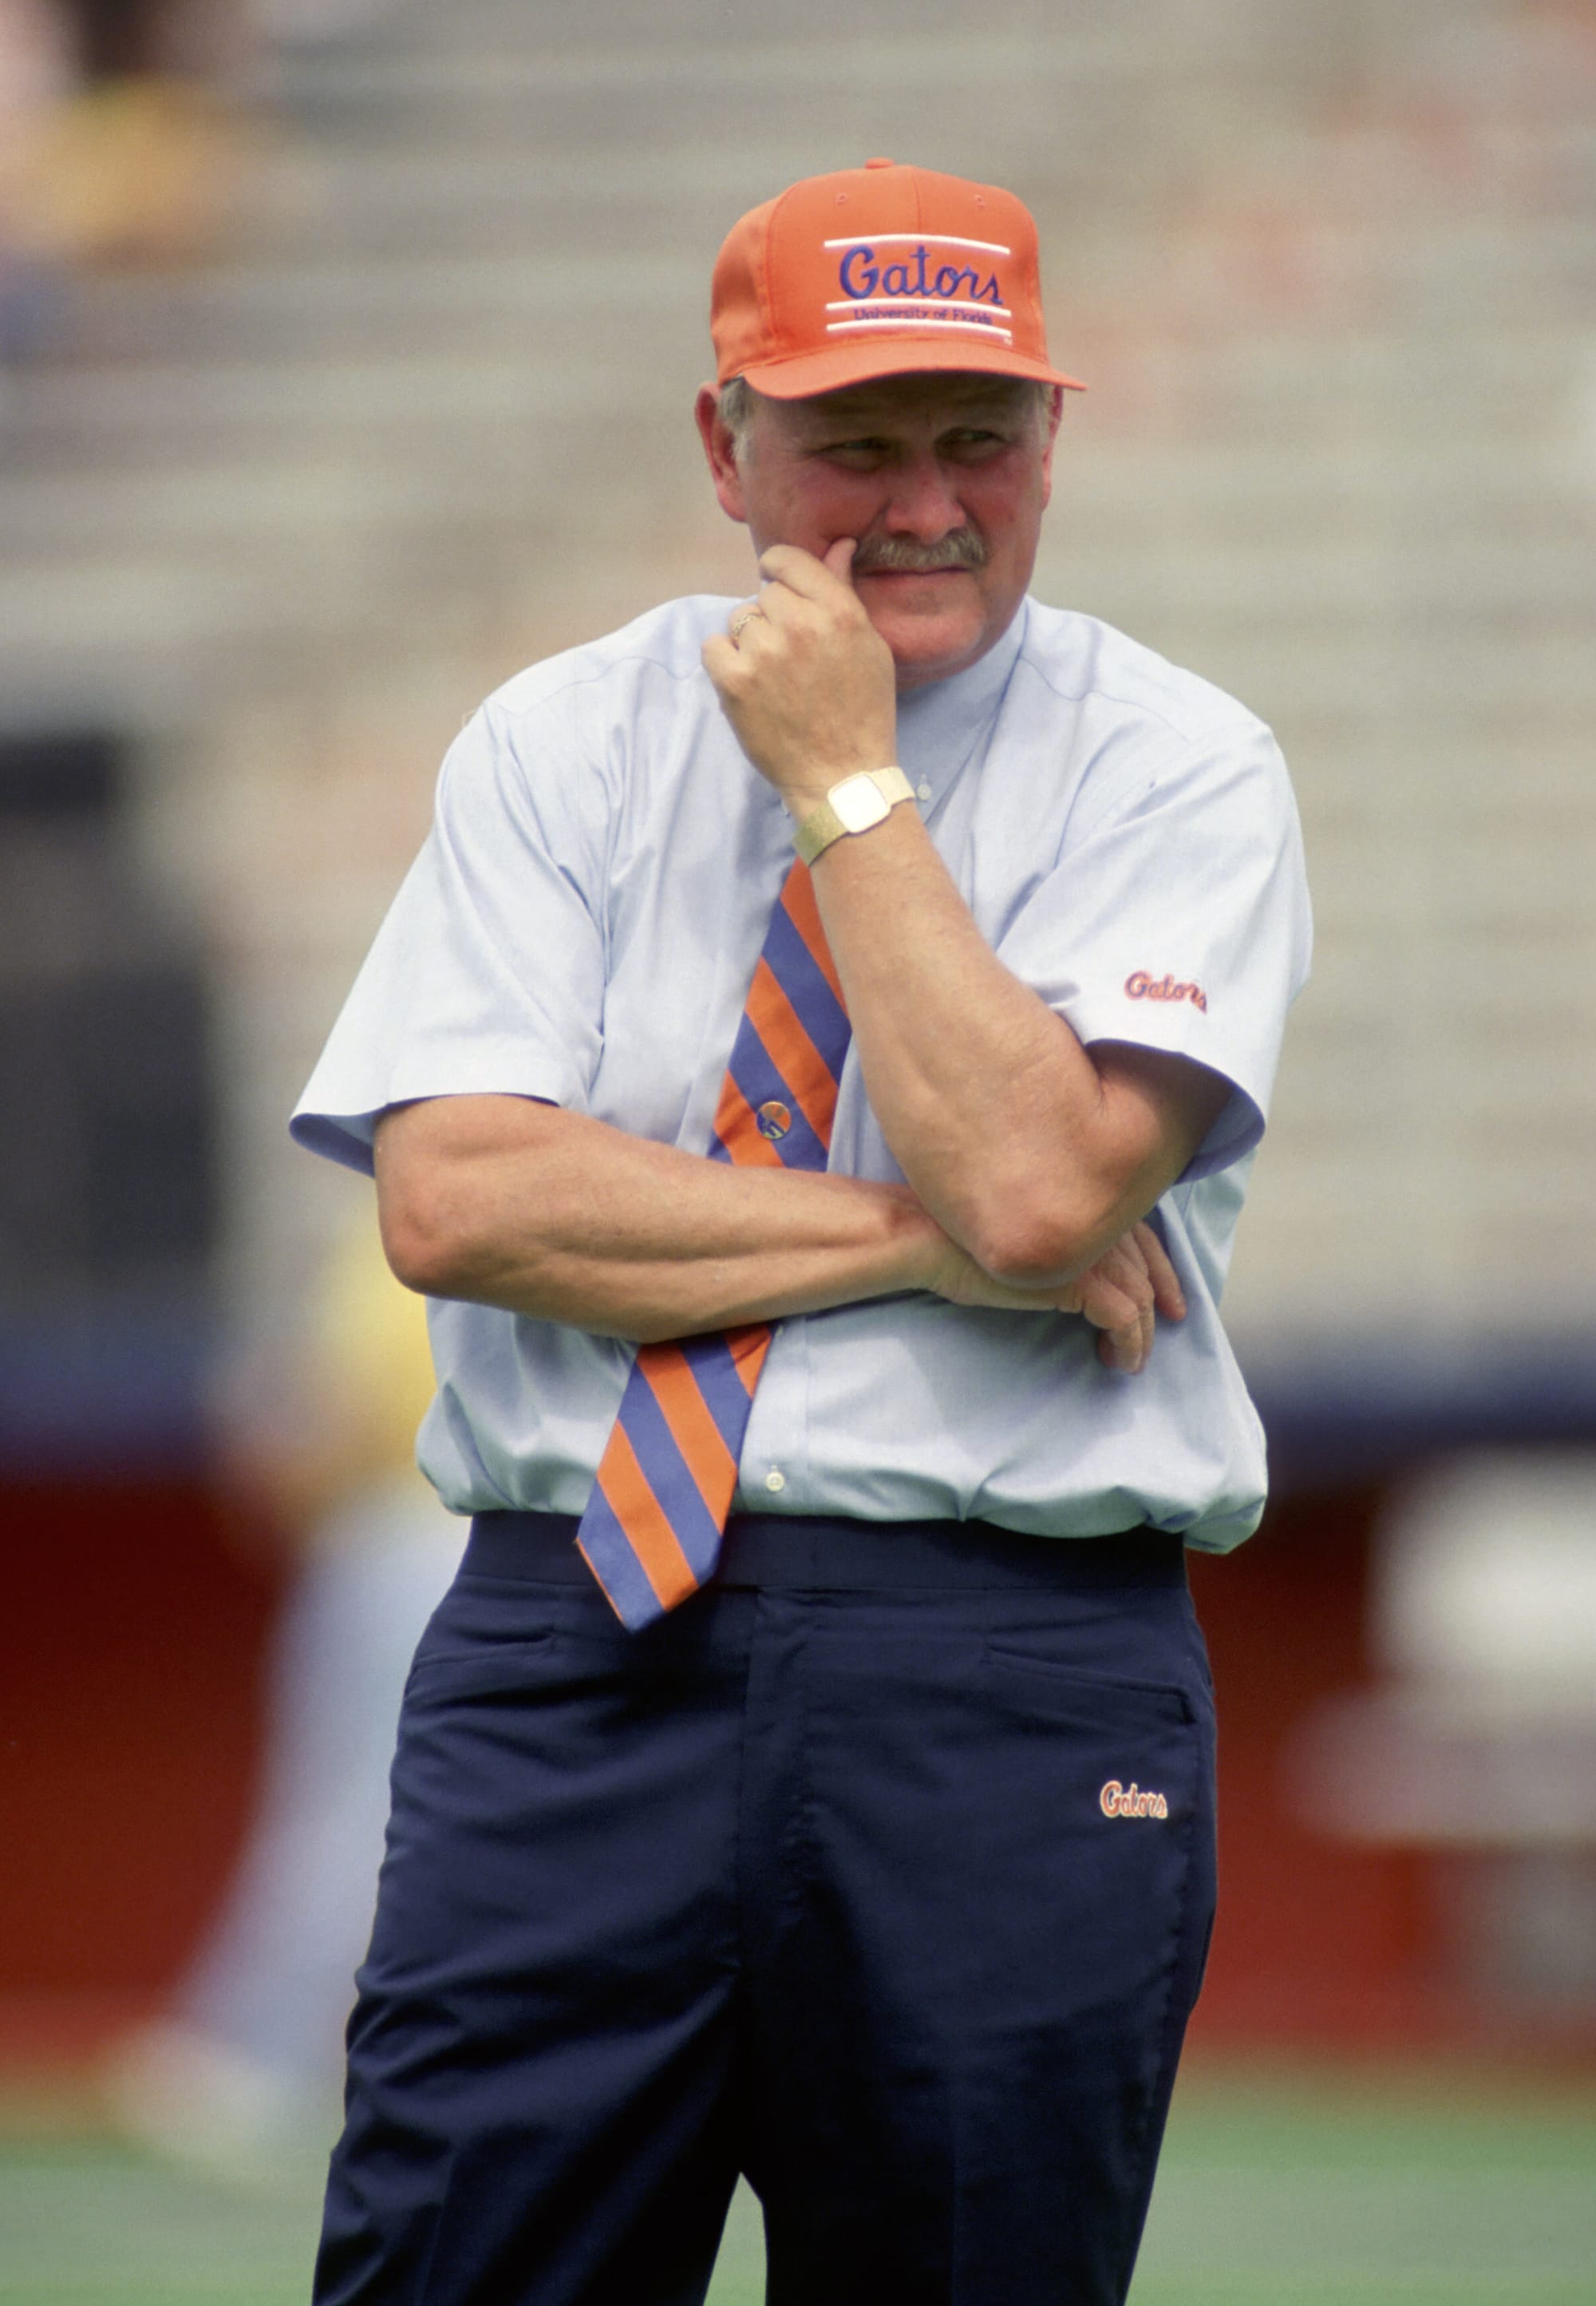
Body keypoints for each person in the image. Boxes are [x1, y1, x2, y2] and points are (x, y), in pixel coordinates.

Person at [291, 158, 1310, 2306]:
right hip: (574, 1645)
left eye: (978, 438)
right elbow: (456, 1200)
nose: (924, 503)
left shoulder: (1184, 764)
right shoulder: (561, 737)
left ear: (1054, 441)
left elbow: (1038, 1187)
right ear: (725, 443)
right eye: (858, 444)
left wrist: (849, 782)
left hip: (1008, 1666)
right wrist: (926, 1244)